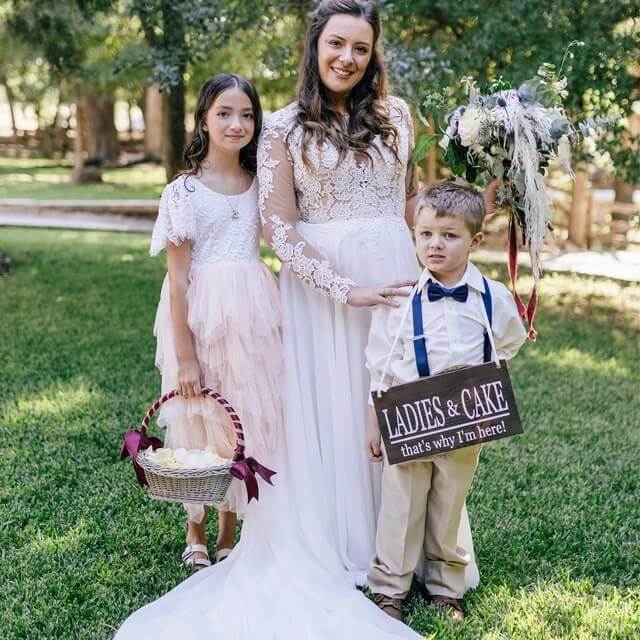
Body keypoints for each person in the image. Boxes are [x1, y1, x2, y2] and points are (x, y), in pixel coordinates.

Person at [257, 0, 479, 587]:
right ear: (314, 47)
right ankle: (342, 544)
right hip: (325, 291)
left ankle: (408, 555)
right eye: (336, 44)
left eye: (360, 47)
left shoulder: (398, 116)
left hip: (398, 274)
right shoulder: (280, 128)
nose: (347, 58)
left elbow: (407, 206)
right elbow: (278, 227)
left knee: (401, 403)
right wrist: (345, 289)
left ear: (373, 53)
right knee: (336, 405)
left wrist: (463, 211)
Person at [365, 181, 527, 622]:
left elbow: (508, 340)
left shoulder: (491, 297)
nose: (435, 245)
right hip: (407, 412)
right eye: (425, 234)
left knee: (450, 502)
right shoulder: (399, 298)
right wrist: (374, 420)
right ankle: (389, 589)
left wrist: (478, 378)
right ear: (413, 235)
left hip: (466, 415)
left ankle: (445, 587)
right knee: (401, 502)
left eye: (449, 235)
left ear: (475, 240)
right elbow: (378, 363)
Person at [148, 73, 282, 570]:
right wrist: (184, 355)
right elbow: (178, 279)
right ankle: (196, 528)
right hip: (201, 309)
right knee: (197, 414)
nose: (237, 123)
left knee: (242, 413)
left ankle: (232, 529)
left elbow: (281, 240)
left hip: (252, 309)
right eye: (224, 113)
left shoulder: (259, 185)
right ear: (204, 118)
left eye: (247, 114)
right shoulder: (184, 191)